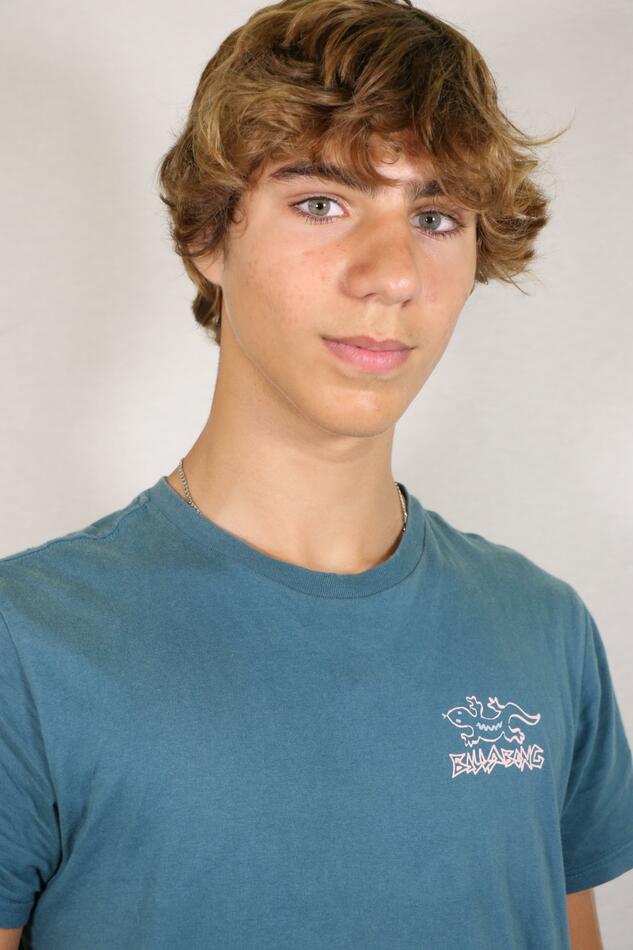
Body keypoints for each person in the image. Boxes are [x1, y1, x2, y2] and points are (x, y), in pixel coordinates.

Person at [0, 1, 631, 947]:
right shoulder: (26, 646)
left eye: (434, 217)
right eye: (322, 204)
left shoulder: (543, 628)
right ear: (210, 236)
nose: (391, 274)